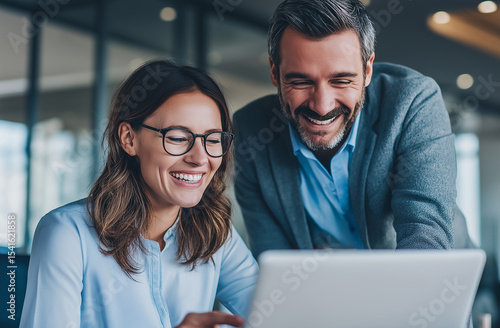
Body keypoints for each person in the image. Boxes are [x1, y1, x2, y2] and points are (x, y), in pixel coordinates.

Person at [20, 60, 258, 328]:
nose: (200, 158)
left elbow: (277, 312)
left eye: (213, 139)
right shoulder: (67, 234)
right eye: (178, 138)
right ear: (129, 139)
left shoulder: (216, 233)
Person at [234, 0, 471, 258]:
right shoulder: (252, 131)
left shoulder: (412, 102)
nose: (322, 107)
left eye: (341, 80)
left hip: (448, 283)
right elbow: (277, 262)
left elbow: (425, 243)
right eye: (301, 81)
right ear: (274, 72)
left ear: (367, 70)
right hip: (332, 289)